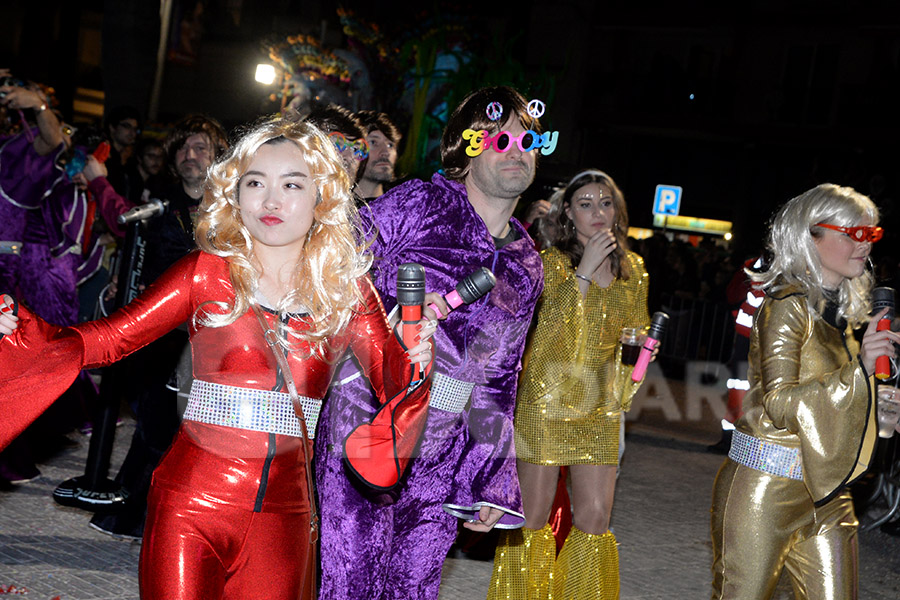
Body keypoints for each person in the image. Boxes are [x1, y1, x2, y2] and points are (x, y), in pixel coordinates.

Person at [0, 117, 434, 599]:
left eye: (292, 184)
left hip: (285, 518)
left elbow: (398, 387)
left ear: (322, 197)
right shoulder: (205, 273)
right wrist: (18, 327)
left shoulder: (347, 293)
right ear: (235, 192)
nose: (270, 200)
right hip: (189, 508)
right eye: (255, 182)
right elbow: (106, 339)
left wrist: (415, 353)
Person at [315, 85, 545, 600]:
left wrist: (492, 471)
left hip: (443, 447)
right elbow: (333, 271)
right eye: (499, 138)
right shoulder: (419, 203)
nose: (517, 149)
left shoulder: (528, 264)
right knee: (350, 581)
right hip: (367, 417)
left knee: (413, 589)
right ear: (466, 148)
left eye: (528, 139)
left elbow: (500, 377)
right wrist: (383, 323)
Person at [710, 183, 900, 599]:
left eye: (872, 234)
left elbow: (842, 402)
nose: (865, 245)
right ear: (809, 236)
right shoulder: (786, 305)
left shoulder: (849, 315)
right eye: (854, 233)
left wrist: (880, 415)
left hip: (828, 490)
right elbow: (778, 404)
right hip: (764, 488)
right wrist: (859, 372)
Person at [487, 169, 650, 600]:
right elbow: (545, 338)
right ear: (567, 215)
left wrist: (632, 373)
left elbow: (637, 332)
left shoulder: (634, 269)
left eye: (605, 202)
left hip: (600, 403)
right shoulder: (551, 262)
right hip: (546, 401)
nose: (597, 212)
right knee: (534, 519)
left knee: (595, 518)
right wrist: (584, 272)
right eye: (585, 204)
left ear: (618, 212)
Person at [89, 114, 229, 539]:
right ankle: (139, 513)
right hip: (162, 331)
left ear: (217, 155)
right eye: (184, 148)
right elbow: (136, 249)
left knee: (197, 430)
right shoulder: (159, 202)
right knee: (153, 421)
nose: (191, 155)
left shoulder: (231, 205)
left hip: (213, 334)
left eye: (201, 147)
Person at [354, 110, 401, 200]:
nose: (386, 152)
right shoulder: (335, 208)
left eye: (390, 145)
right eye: (373, 142)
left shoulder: (403, 206)